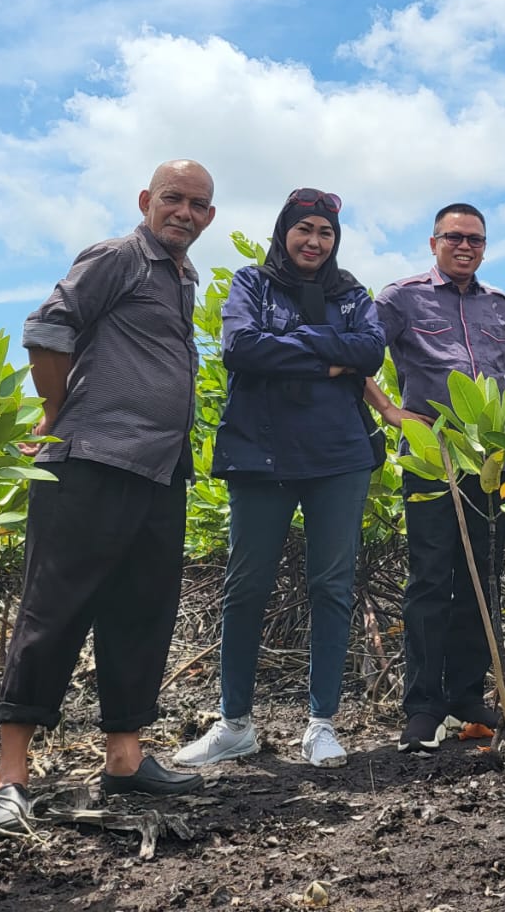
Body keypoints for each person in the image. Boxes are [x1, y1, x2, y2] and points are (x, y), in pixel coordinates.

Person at [0, 160, 216, 834]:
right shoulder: (119, 256)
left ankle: (124, 760)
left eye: (198, 204)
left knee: (142, 614)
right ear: (147, 201)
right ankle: (10, 777)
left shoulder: (182, 276)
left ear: (209, 216)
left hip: (159, 471)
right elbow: (49, 326)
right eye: (172, 199)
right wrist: (56, 411)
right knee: (54, 612)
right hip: (91, 461)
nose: (184, 212)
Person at [174, 189, 385, 771]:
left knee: (332, 587)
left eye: (325, 232)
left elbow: (370, 350)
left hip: (340, 455)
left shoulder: (352, 294)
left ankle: (321, 724)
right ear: (283, 233)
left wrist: (295, 348)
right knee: (244, 589)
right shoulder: (251, 283)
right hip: (259, 454)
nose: (314, 241)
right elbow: (240, 348)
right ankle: (234, 723)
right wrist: (328, 358)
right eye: (304, 230)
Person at [365, 203, 505, 753]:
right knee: (430, 579)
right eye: (455, 237)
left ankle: (468, 696)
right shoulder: (400, 297)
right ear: (433, 243)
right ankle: (424, 705)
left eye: (476, 239)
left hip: (490, 461)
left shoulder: (498, 305)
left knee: (483, 578)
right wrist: (389, 410)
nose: (466, 246)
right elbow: (356, 356)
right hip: (432, 456)